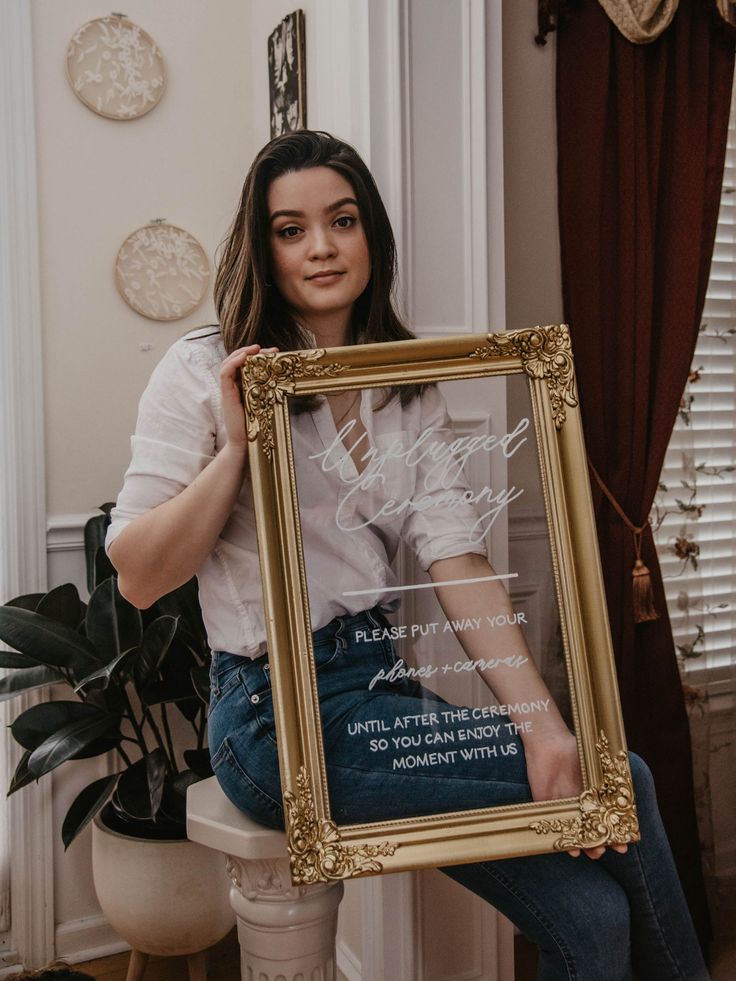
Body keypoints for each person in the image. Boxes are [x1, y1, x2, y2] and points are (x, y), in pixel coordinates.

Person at [107, 130, 709, 980]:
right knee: (629, 780)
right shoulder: (202, 369)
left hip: (382, 691)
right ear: (264, 246)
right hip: (274, 714)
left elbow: (457, 563)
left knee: (592, 915)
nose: (320, 246)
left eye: (342, 220)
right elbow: (138, 575)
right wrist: (238, 446)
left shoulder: (406, 385)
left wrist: (542, 722)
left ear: (370, 236)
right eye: (291, 228)